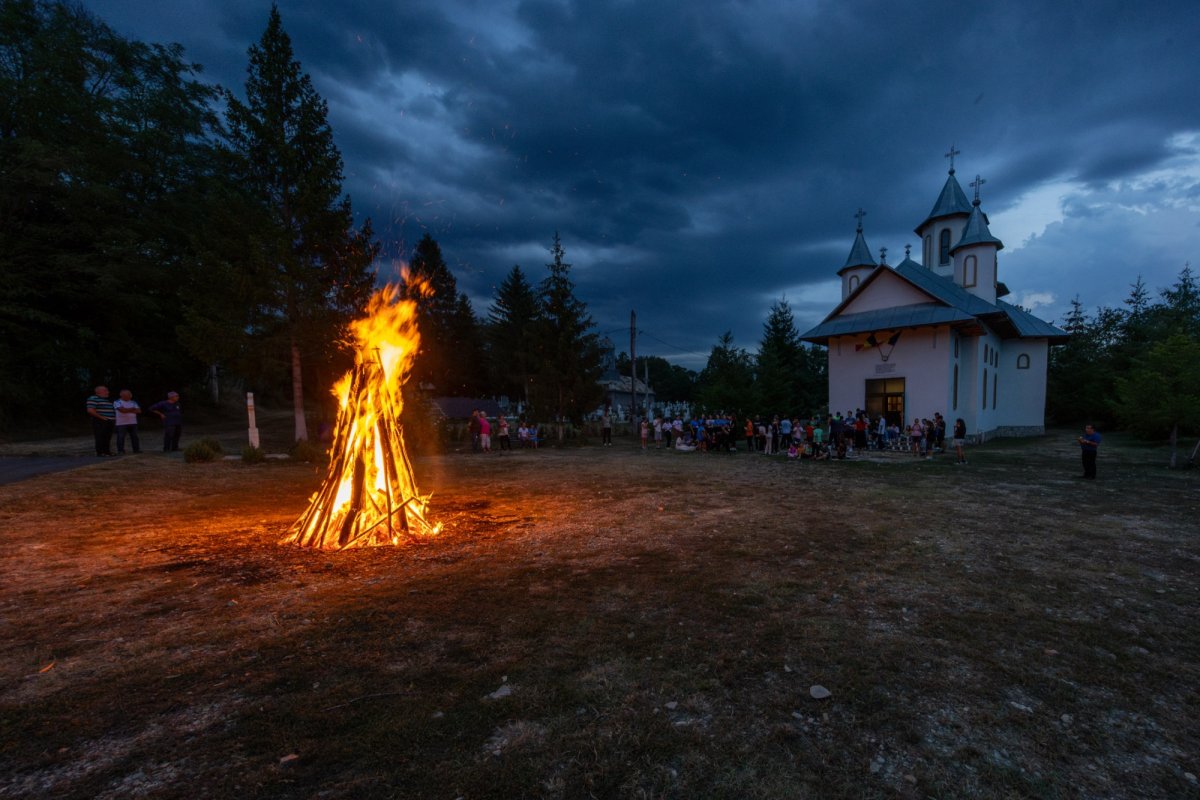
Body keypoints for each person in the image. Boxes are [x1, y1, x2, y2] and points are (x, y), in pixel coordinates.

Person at [86, 385, 116, 456]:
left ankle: (107, 452)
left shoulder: (107, 400)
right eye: (106, 390)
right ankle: (100, 452)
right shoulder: (93, 398)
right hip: (100, 421)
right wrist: (102, 418)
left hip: (110, 421)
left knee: (107, 437)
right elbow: (90, 410)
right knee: (100, 437)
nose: (108, 392)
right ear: (99, 391)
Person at [112, 389, 142, 454]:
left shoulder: (133, 402)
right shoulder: (117, 402)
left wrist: (126, 410)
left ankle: (136, 450)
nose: (128, 396)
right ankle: (120, 451)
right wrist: (133, 409)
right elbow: (122, 411)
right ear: (121, 395)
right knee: (121, 437)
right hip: (121, 423)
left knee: (135, 437)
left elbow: (139, 411)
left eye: (129, 395)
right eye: (126, 395)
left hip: (133, 422)